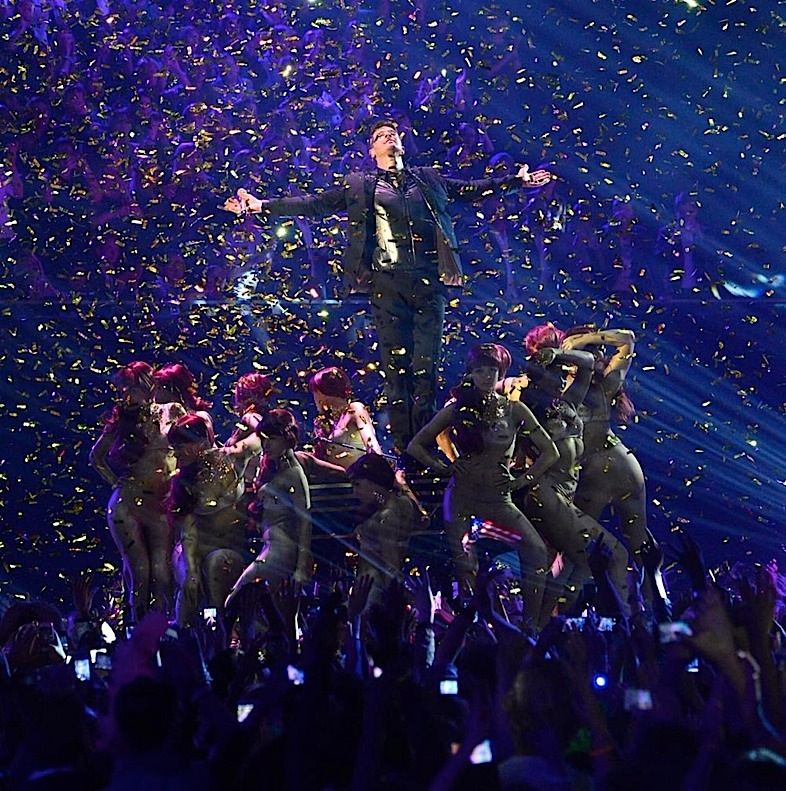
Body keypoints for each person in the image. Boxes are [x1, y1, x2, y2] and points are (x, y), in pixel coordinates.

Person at [222, 118, 551, 458]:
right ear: (372, 151)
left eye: (392, 133)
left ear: (402, 145)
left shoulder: (429, 179)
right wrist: (261, 206)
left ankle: (424, 447)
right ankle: (405, 449)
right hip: (387, 284)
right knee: (397, 370)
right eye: (380, 136)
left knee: (426, 367)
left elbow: (470, 189)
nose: (388, 137)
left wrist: (516, 181)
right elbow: (315, 203)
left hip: (428, 283)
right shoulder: (361, 185)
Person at [406, 343, 559, 627]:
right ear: (470, 373)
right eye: (480, 370)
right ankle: (473, 628)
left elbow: (551, 452)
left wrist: (521, 481)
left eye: (492, 370)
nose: (487, 376)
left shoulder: (515, 410)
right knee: (466, 567)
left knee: (537, 550)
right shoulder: (457, 409)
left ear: (502, 373)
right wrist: (443, 466)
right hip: (461, 496)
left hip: (499, 498)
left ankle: (530, 626)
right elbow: (416, 445)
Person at [560, 326, 665, 607]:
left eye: (598, 351)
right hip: (599, 474)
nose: (595, 356)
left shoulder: (605, 383)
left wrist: (584, 339)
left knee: (633, 546)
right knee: (586, 550)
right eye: (588, 352)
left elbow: (628, 339)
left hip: (615, 471)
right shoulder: (566, 386)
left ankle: (653, 610)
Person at [89, 362, 177, 621]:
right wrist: (115, 482)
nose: (127, 394)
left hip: (161, 503)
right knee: (140, 570)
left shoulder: (171, 411)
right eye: (124, 389)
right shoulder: (121, 420)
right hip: (128, 503)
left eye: (132, 388)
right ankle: (136, 628)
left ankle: (166, 628)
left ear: (148, 386)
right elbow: (96, 457)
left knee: (162, 570)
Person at [166, 413, 258, 626]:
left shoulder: (231, 458)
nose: (176, 454)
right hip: (192, 548)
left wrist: (250, 417)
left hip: (228, 545)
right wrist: (191, 572)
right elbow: (188, 533)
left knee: (219, 564)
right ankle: (182, 634)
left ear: (198, 443)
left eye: (180, 447)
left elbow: (263, 435)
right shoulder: (182, 481)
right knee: (190, 586)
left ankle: (220, 632)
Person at [225, 409, 313, 604]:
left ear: (287, 438)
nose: (266, 445)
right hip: (269, 548)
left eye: (272, 439)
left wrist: (301, 569)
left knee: (236, 600)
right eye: (264, 439)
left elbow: (305, 521)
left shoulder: (294, 473)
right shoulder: (273, 467)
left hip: (281, 553)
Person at [346, 453, 418, 602]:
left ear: (373, 482)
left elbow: (391, 565)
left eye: (357, 485)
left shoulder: (386, 517)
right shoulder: (403, 503)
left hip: (373, 591)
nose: (355, 492)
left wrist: (392, 601)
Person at [309, 366, 383, 469]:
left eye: (314, 393)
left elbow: (372, 444)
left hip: (358, 474)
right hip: (336, 476)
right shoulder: (327, 422)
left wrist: (379, 470)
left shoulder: (355, 409)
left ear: (321, 393)